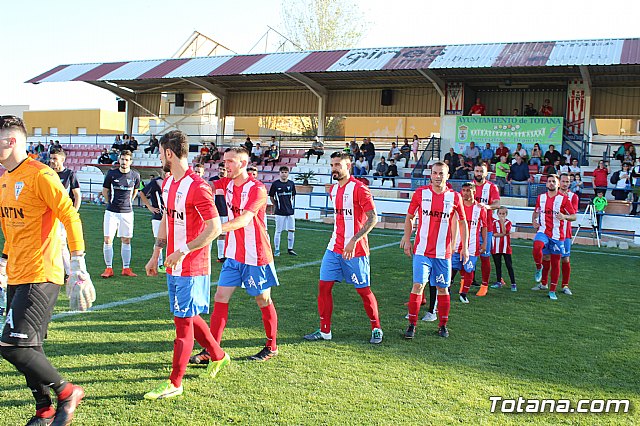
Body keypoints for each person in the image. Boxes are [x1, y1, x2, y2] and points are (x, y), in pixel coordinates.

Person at [0, 115, 92, 425]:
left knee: (11, 346)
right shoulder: (5, 178)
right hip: (17, 272)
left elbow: (69, 215)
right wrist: (3, 262)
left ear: (11, 141)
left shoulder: (41, 175)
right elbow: (13, 228)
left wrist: (78, 262)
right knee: (31, 346)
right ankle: (45, 409)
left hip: (42, 272)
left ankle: (67, 392)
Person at [143, 130, 229, 400]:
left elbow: (215, 228)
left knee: (182, 323)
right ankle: (218, 355)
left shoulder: (199, 186)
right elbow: (168, 221)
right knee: (189, 316)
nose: (159, 157)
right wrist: (156, 253)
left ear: (168, 153)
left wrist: (182, 250)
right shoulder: (168, 184)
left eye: (160, 152)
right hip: (172, 263)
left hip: (192, 266)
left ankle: (175, 382)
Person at [303, 152, 383, 344]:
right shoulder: (334, 190)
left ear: (349, 166)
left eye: (338, 165)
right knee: (323, 287)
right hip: (334, 247)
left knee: (363, 291)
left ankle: (376, 328)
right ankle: (325, 331)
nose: (334, 168)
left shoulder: (360, 189)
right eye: (332, 165)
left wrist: (354, 240)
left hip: (356, 250)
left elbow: (373, 218)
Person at [209, 147, 281, 361]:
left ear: (242, 163)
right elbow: (205, 186)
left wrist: (215, 230)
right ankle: (212, 349)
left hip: (255, 255)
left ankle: (272, 346)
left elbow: (244, 220)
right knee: (220, 297)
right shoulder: (227, 183)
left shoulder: (257, 189)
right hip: (233, 254)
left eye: (230, 161)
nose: (225, 165)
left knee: (263, 299)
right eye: (224, 161)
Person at [400, 161, 468, 339]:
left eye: (441, 173)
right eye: (435, 173)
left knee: (443, 289)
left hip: (443, 253)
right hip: (422, 251)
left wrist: (465, 247)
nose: (438, 177)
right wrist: (407, 239)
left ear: (448, 176)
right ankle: (412, 325)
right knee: (418, 285)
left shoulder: (455, 197)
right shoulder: (420, 193)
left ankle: (443, 325)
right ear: (430, 175)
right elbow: (409, 217)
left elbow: (462, 222)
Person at [531, 174, 576, 300]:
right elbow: (536, 211)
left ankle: (552, 290)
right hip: (543, 231)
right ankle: (539, 267)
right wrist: (533, 220)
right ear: (546, 184)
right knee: (537, 246)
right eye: (549, 181)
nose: (551, 183)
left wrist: (565, 217)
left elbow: (573, 216)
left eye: (553, 181)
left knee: (556, 262)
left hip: (557, 235)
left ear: (558, 184)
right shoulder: (541, 197)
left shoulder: (564, 199)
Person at [101, 150, 141, 278]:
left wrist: (128, 203)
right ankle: (108, 268)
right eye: (122, 159)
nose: (124, 162)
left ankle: (126, 268)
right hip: (111, 212)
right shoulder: (112, 174)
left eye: (127, 160)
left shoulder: (135, 175)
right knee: (108, 239)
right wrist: (109, 203)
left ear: (131, 161)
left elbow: (135, 191)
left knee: (126, 240)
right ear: (119, 160)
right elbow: (105, 191)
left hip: (127, 213)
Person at [49, 148, 82, 278]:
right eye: (51, 158)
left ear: (62, 159)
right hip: (48, 215)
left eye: (55, 159)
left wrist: (73, 213)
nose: (52, 161)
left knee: (62, 244)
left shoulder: (70, 174)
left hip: (62, 215)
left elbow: (77, 195)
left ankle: (69, 273)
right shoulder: (48, 174)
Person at [454, 183, 487, 304]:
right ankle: (444, 290)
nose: (466, 193)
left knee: (469, 270)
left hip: (472, 246)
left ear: (474, 192)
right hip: (456, 245)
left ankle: (463, 293)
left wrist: (484, 244)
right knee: (451, 269)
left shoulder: (479, 208)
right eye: (464, 190)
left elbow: (484, 227)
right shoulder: (457, 206)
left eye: (468, 190)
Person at [472, 163, 500, 296]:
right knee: (466, 255)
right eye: (477, 171)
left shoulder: (491, 187)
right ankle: (465, 282)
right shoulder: (468, 186)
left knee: (484, 256)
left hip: (486, 227)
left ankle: (484, 285)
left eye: (481, 171)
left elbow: (497, 204)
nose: (478, 173)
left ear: (486, 173)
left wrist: (486, 207)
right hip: (470, 227)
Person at [139, 172, 168, 274]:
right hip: (158, 217)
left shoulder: (173, 182)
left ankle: (168, 263)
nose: (167, 173)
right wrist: (149, 206)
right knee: (159, 240)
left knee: (170, 240)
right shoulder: (155, 183)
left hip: (169, 217)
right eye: (165, 171)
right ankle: (159, 264)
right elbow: (142, 193)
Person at [556, 173, 579, 295]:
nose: (565, 184)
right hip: (551, 231)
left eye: (567, 181)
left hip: (565, 232)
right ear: (559, 182)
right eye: (563, 181)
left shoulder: (573, 197)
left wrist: (563, 215)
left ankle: (565, 285)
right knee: (547, 257)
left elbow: (572, 215)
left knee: (565, 258)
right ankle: (543, 283)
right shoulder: (552, 195)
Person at [269, 166, 297, 257]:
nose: (284, 174)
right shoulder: (275, 184)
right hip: (280, 212)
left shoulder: (291, 184)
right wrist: (276, 205)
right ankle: (277, 250)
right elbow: (271, 197)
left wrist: (289, 205)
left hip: (290, 212)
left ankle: (290, 249)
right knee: (278, 231)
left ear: (288, 173)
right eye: (282, 172)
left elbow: (293, 196)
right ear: (279, 173)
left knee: (291, 230)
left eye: (286, 172)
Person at [490, 206, 517, 291]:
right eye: (500, 213)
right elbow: (494, 234)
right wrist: (502, 234)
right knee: (498, 265)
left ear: (506, 214)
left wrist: (502, 225)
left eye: (503, 214)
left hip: (506, 248)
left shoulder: (508, 223)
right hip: (496, 247)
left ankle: (513, 284)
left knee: (509, 265)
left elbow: (505, 232)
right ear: (497, 214)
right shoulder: (494, 222)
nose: (501, 215)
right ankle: (499, 282)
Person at [207, 165, 229, 264]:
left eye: (223, 169)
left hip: (225, 211)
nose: (222, 171)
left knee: (222, 234)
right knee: (210, 233)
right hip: (214, 212)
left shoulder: (228, 181)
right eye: (220, 169)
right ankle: (207, 255)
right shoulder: (213, 180)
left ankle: (221, 256)